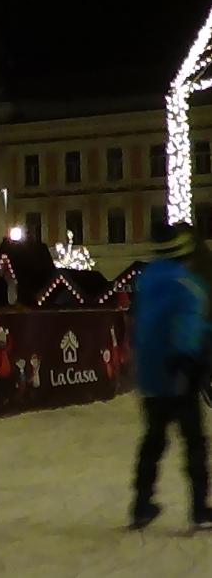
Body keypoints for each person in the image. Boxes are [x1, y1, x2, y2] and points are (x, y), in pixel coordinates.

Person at [130, 222, 212, 530]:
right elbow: (189, 324)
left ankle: (140, 504)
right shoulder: (187, 284)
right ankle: (199, 508)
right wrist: (191, 358)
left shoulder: (146, 281)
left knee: (153, 439)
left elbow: (143, 325)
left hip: (149, 376)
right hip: (179, 373)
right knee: (193, 441)